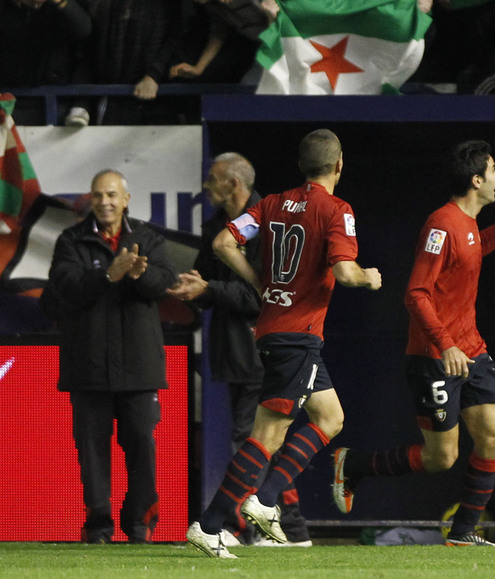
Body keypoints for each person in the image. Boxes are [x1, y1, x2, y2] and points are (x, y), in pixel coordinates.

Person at [186, 129, 381, 559]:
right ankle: (212, 523)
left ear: (301, 165)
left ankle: (267, 498)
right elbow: (346, 273)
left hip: (277, 330)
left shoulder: (271, 203)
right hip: (297, 336)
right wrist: (370, 277)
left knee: (330, 418)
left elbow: (223, 243)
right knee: (266, 437)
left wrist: (260, 283)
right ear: (338, 165)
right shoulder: (337, 209)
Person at [329, 141, 495, 547]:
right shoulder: (442, 225)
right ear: (476, 181)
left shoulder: (469, 225)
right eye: (493, 171)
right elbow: (415, 294)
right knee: (442, 457)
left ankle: (462, 534)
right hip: (434, 357)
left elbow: (480, 247)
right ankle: (353, 463)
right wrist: (445, 345)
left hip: (471, 350)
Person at [166, 153, 309, 547]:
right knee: (265, 444)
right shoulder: (217, 227)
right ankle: (287, 530)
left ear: (233, 184)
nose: (206, 186)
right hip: (232, 351)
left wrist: (210, 289)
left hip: (263, 349)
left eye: (212, 179)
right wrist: (193, 289)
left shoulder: (269, 221)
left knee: (254, 442)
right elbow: (208, 280)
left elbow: (264, 293)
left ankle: (260, 529)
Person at [45, 170, 176, 543]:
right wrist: (108, 275)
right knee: (92, 454)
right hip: (88, 368)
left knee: (142, 450)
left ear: (126, 199)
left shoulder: (148, 238)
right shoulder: (71, 240)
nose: (105, 202)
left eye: (112, 195)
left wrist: (137, 275)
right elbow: (64, 288)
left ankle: (139, 526)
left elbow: (164, 285)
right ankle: (98, 528)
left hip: (140, 368)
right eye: (99, 195)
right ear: (91, 199)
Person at [0, 0, 91, 125]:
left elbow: (83, 31)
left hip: (55, 101)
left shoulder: (60, 4)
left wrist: (61, 1)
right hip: (12, 100)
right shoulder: (4, 9)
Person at [170, 0, 289, 81]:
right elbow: (218, 34)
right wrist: (198, 68)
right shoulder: (212, 3)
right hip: (270, 51)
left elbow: (288, 18)